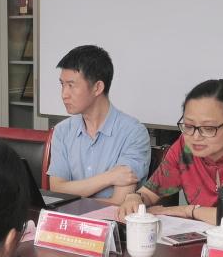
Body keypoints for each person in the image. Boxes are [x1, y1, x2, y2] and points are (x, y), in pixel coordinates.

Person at [119, 79, 223, 227]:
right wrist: (134, 198)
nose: (196, 137)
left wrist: (186, 211)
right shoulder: (185, 147)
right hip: (203, 243)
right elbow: (149, 193)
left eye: (208, 128)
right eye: (189, 126)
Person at [48, 45, 150, 205]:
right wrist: (109, 177)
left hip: (112, 221)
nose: (64, 94)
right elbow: (56, 190)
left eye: (71, 85)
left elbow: (119, 202)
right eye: (62, 85)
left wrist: (72, 195)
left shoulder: (133, 133)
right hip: (67, 219)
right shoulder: (62, 131)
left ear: (97, 87)